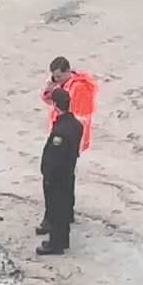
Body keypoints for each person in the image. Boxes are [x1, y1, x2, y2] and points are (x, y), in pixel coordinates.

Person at [36, 56, 97, 234]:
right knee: (66, 179)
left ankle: (53, 218)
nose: (57, 80)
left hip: (69, 138)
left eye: (59, 77)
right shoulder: (63, 84)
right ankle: (66, 213)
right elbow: (48, 98)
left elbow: (81, 116)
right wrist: (50, 86)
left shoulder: (80, 88)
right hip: (65, 132)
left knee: (56, 181)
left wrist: (73, 143)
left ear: (68, 72)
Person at [38, 87, 83, 256]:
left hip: (58, 176)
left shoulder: (60, 131)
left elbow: (54, 157)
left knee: (56, 210)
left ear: (56, 105)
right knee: (64, 208)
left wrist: (47, 174)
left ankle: (55, 244)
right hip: (69, 172)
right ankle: (63, 240)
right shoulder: (76, 125)